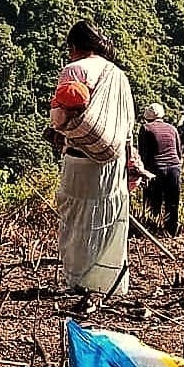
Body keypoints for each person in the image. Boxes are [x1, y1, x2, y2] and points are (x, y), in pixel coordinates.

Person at [51, 20, 135, 296]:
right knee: (106, 219)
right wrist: (130, 163)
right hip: (113, 160)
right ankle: (108, 283)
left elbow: (60, 118)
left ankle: (78, 282)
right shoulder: (119, 76)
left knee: (77, 221)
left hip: (80, 160)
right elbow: (126, 128)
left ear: (74, 47)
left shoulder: (74, 70)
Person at [138, 102, 184, 236]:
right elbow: (178, 152)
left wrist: (142, 173)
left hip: (155, 168)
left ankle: (151, 231)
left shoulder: (146, 128)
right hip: (174, 168)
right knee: (172, 202)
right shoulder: (172, 128)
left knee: (153, 202)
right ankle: (171, 232)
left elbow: (143, 154)